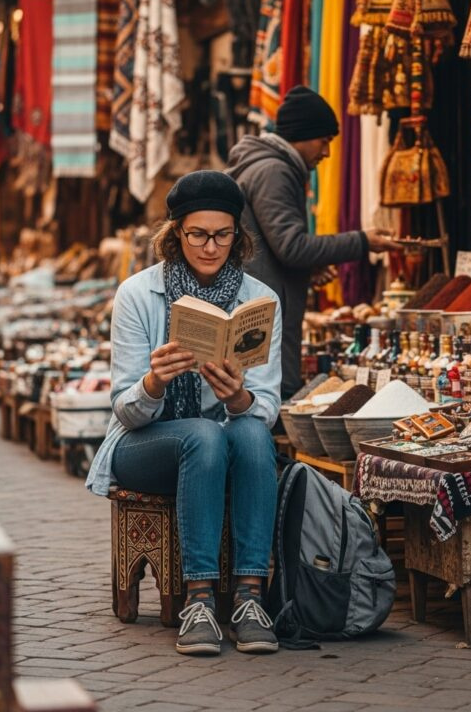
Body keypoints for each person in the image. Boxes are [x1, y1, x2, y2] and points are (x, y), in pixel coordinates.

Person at [86, 171, 282, 657]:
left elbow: (265, 409)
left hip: (222, 441)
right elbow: (124, 409)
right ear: (176, 233)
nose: (210, 247)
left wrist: (238, 397)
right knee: (203, 435)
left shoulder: (261, 300)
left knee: (252, 434)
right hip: (143, 444)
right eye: (198, 235)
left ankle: (249, 598)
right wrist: (154, 382)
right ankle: (199, 602)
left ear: (237, 235)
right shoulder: (137, 293)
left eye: (222, 235)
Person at [227, 85, 401, 400]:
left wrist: (309, 266)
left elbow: (274, 246)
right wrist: (363, 241)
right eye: (324, 141)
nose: (327, 152)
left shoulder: (267, 167)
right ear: (303, 135)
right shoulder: (274, 172)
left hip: (261, 306)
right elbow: (291, 247)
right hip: (264, 312)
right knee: (269, 397)